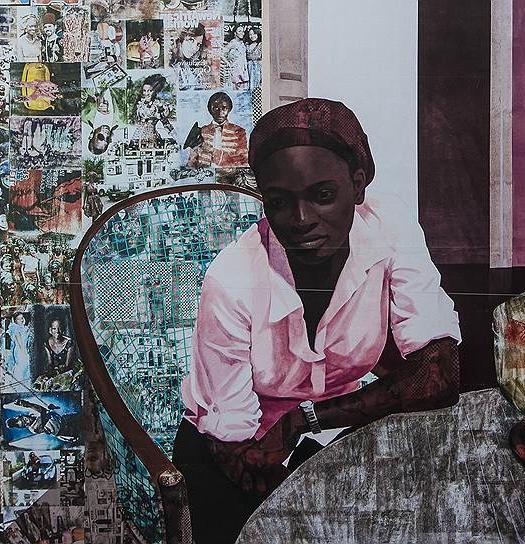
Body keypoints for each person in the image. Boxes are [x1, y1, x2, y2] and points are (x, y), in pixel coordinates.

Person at [174, 98, 462, 543]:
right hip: (232, 457)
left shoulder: (388, 227)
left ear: (358, 185)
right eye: (279, 202)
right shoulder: (232, 281)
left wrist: (304, 420)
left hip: (328, 436)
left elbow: (439, 374)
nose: (302, 220)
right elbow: (238, 452)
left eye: (323, 195)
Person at [185, 92, 248, 168]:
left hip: (229, 174)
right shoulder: (202, 131)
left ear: (229, 109)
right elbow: (192, 163)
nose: (220, 112)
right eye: (215, 108)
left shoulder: (239, 132)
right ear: (210, 110)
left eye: (224, 108)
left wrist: (213, 152)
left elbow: (243, 161)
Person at [131, 74, 174, 149]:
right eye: (144, 91)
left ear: (155, 91)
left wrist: (177, 138)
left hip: (152, 139)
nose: (146, 94)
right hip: (137, 136)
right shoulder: (141, 103)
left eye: (150, 91)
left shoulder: (157, 106)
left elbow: (166, 124)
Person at [171, 24, 215, 90]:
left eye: (198, 44)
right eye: (191, 40)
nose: (194, 48)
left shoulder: (195, 65)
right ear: (181, 39)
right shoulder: (171, 64)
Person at [4, 311, 33, 388]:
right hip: (20, 350)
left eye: (22, 318)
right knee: (21, 365)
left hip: (24, 348)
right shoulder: (15, 328)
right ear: (15, 321)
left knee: (25, 366)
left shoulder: (24, 328)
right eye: (19, 319)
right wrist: (24, 352)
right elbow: (20, 341)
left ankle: (24, 382)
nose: (21, 320)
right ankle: (17, 383)